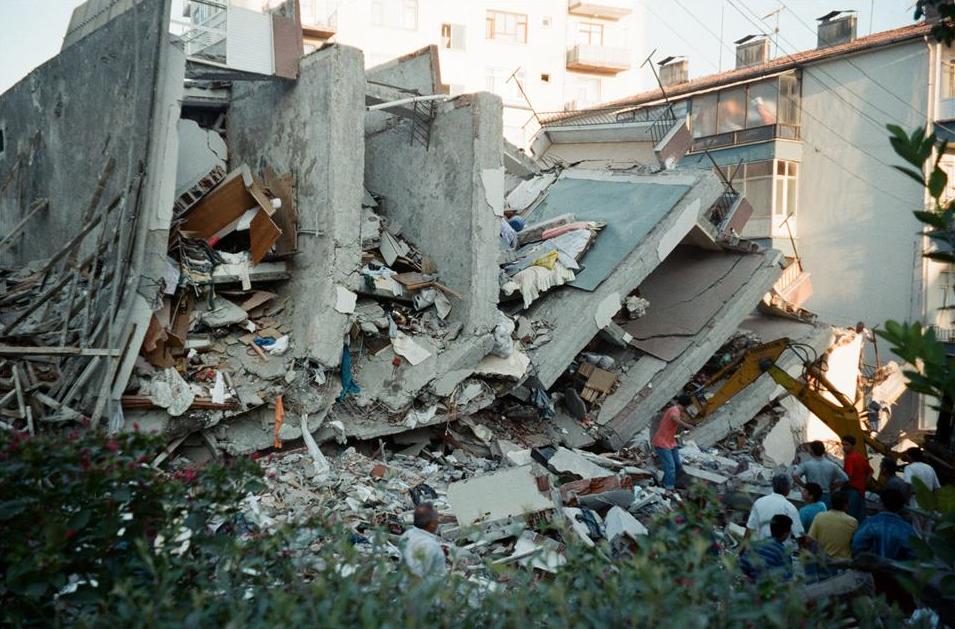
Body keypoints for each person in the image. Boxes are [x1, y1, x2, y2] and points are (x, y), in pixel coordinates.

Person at [852, 488, 918, 613]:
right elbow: (915, 557)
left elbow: (857, 547)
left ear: (880, 503)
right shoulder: (907, 529)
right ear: (901, 506)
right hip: (898, 583)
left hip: (872, 581)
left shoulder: (869, 524)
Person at [806, 490, 859, 579]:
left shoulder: (820, 516)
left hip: (824, 563)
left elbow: (809, 540)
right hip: (843, 565)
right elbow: (856, 544)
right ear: (846, 504)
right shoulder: (853, 522)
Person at [652, 394, 694, 490]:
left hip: (671, 442)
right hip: (662, 443)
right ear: (686, 405)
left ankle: (671, 482)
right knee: (670, 467)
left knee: (677, 464)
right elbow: (674, 418)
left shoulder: (677, 410)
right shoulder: (674, 410)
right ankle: (668, 488)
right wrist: (686, 425)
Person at [745, 473, 805, 541]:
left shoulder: (759, 502)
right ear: (788, 488)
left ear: (773, 486)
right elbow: (799, 535)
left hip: (758, 547)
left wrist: (742, 550)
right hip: (779, 550)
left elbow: (749, 528)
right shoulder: (790, 508)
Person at [792, 440, 848, 506]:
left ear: (811, 451)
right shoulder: (832, 465)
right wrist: (834, 486)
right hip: (826, 495)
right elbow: (845, 478)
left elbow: (795, 475)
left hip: (812, 496)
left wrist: (805, 486)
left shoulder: (807, 464)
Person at [740, 514, 794, 581]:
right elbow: (787, 580)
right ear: (786, 533)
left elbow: (741, 567)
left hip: (749, 587)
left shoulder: (755, 545)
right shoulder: (783, 552)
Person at [398, 503, 446, 578]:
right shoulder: (432, 546)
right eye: (436, 518)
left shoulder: (406, 535)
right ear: (432, 523)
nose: (438, 521)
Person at [841, 435, 872, 522]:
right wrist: (863, 483)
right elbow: (870, 472)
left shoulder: (850, 459)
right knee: (861, 517)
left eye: (846, 445)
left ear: (852, 446)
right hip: (860, 491)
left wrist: (837, 485)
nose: (844, 447)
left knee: (850, 517)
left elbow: (847, 477)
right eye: (843, 445)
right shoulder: (860, 457)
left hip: (852, 491)